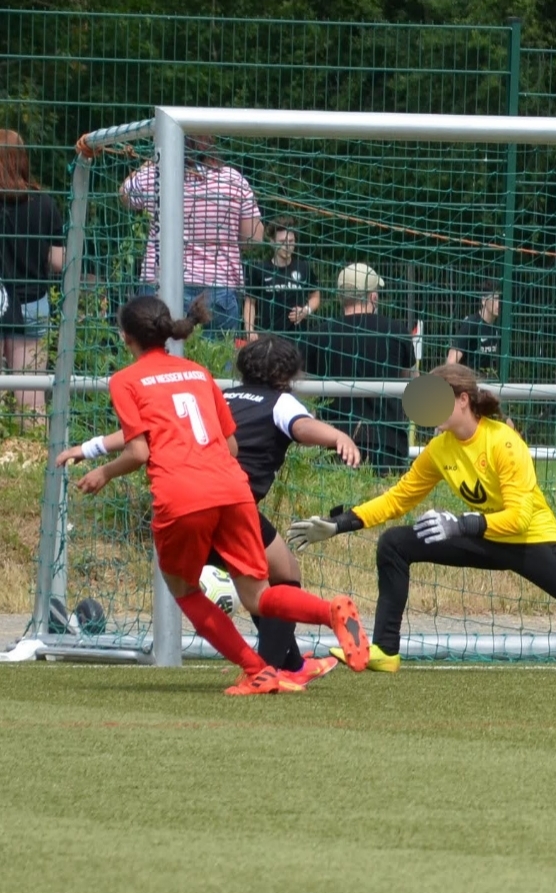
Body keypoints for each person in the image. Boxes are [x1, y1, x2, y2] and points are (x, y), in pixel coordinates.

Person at [285, 363, 556, 677]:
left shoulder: (504, 443)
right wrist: (341, 524)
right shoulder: (439, 449)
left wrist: (462, 524)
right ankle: (385, 651)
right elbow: (398, 498)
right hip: (482, 537)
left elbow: (520, 518)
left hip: (532, 541)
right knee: (395, 543)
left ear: (462, 400)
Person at [55, 295, 370, 694]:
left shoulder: (126, 380)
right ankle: (329, 612)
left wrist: (102, 470)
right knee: (260, 594)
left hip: (182, 495)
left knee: (185, 590)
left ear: (125, 336)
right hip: (233, 490)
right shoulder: (197, 373)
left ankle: (258, 669)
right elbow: (231, 446)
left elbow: (139, 450)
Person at [120, 135, 263, 333]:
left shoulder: (156, 175)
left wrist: (154, 160)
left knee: (158, 352)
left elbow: (125, 194)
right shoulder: (233, 179)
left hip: (159, 286)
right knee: (216, 354)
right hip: (217, 287)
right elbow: (253, 239)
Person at [306, 263, 414, 474]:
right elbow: (411, 382)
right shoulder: (397, 331)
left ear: (340, 297)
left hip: (333, 443)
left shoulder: (319, 335)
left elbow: (301, 387)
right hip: (387, 444)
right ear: (373, 297)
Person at [0, 129, 65, 410]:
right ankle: (33, 439)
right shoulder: (44, 202)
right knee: (31, 398)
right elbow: (59, 262)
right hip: (31, 303)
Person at [243, 219, 319, 339]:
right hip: (269, 337)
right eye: (282, 242)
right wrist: (249, 330)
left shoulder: (304, 268)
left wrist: (306, 310)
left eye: (291, 241)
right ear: (272, 242)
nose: (287, 246)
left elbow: (315, 296)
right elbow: (250, 302)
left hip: (298, 337)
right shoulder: (260, 269)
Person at [446, 291, 502, 376]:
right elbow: (451, 362)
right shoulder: (471, 324)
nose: (499, 303)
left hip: (487, 379)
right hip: (467, 379)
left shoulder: (500, 326)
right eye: (495, 299)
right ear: (484, 301)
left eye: (501, 299)